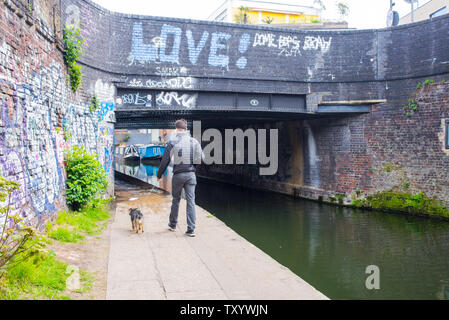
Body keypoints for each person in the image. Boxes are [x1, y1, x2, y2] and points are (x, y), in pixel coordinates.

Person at [157, 119, 203, 237]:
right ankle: (191, 229)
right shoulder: (194, 142)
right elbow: (200, 158)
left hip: (178, 175)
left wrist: (159, 174)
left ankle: (172, 225)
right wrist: (193, 168)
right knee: (191, 201)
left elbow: (165, 160)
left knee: (176, 200)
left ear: (176, 130)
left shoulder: (172, 142)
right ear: (186, 129)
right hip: (191, 175)